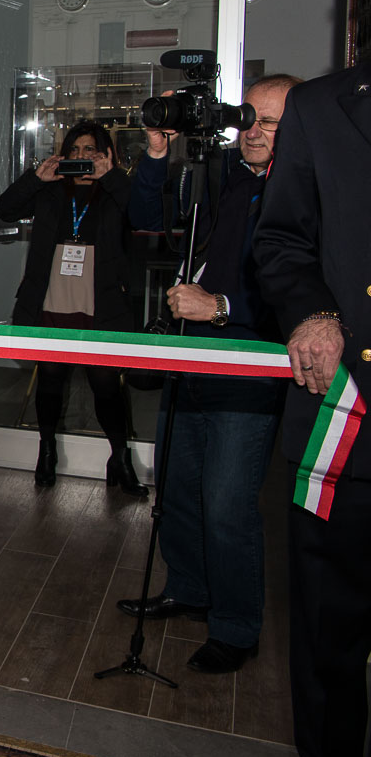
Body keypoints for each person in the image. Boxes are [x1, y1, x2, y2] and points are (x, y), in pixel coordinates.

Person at [117, 74, 297, 675]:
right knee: (177, 488)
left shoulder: (307, 192)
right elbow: (145, 216)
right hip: (192, 356)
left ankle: (237, 626)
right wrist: (159, 153)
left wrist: (220, 307)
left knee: (227, 504)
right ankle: (188, 588)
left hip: (249, 365)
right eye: (251, 116)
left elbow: (303, 290)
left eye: (272, 122)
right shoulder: (221, 176)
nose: (255, 131)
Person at [252, 62, 371, 757]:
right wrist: (310, 312)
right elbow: (281, 241)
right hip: (349, 421)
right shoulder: (324, 107)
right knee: (330, 634)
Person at [0, 120, 142, 493]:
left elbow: (143, 215)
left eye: (89, 150)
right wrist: (36, 177)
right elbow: (5, 209)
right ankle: (47, 451)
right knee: (51, 377)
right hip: (53, 290)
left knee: (105, 382)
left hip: (100, 294)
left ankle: (120, 458)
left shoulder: (113, 191)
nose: (81, 157)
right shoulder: (52, 190)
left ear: (105, 154)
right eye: (74, 150)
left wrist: (113, 177)